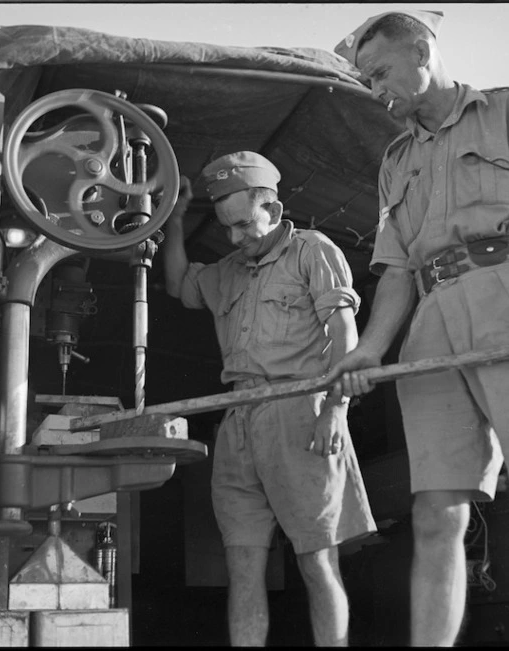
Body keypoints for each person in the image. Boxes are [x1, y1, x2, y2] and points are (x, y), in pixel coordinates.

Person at [329, 9, 509, 647]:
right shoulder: (394, 160)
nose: (375, 89)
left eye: (381, 72)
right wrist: (367, 350)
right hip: (432, 316)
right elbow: (395, 270)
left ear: (424, 54)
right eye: (366, 80)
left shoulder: (508, 111)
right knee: (435, 514)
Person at [162, 151, 376, 646]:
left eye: (242, 226)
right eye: (226, 228)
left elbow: (344, 335)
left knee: (317, 561)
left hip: (302, 413)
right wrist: (173, 220)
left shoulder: (312, 250)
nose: (234, 238)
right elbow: (178, 283)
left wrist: (335, 410)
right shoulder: (230, 269)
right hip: (238, 421)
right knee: (241, 569)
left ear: (274, 211)